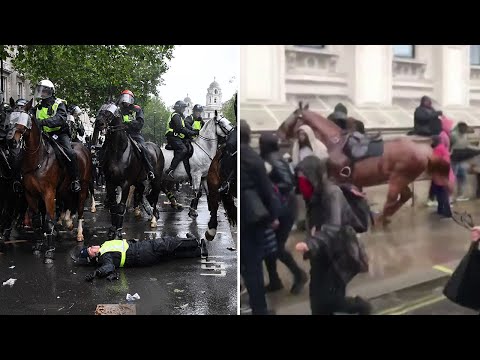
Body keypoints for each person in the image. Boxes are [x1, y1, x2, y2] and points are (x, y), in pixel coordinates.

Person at [294, 155, 372, 315]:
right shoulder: (313, 195)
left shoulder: (332, 193)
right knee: (316, 301)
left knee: (332, 300)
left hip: (339, 253)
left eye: (304, 178)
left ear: (314, 175)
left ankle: (360, 306)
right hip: (320, 253)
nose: (302, 183)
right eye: (299, 178)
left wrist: (311, 243)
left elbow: (333, 226)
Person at [259, 133, 308, 294]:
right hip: (280, 207)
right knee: (268, 245)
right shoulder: (273, 158)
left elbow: (288, 183)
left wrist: (267, 185)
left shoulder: (273, 160)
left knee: (277, 247)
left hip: (284, 209)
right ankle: (274, 280)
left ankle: (299, 274)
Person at [241, 119, 279, 315]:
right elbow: (267, 191)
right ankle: (260, 310)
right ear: (249, 136)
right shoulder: (252, 158)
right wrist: (274, 216)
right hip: (253, 218)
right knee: (254, 266)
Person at [74, 234, 202, 281]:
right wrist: (97, 272)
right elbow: (109, 267)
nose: (92, 247)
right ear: (92, 257)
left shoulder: (104, 247)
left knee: (171, 255)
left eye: (90, 247)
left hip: (141, 251)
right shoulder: (103, 257)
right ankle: (194, 242)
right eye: (90, 250)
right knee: (166, 243)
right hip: (142, 252)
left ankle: (199, 252)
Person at [33, 79, 80, 192]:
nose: (42, 93)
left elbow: (60, 119)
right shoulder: (38, 105)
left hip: (59, 134)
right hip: (43, 134)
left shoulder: (59, 103)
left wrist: (43, 122)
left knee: (69, 152)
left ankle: (75, 180)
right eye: (40, 91)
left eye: (44, 91)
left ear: (50, 92)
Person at [116, 89, 155, 181]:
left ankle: (149, 170)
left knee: (143, 148)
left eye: (127, 98)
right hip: (122, 134)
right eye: (123, 98)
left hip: (135, 134)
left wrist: (128, 124)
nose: (125, 101)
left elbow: (140, 123)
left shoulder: (137, 109)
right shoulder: (120, 110)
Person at [164, 100, 199, 180]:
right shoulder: (176, 116)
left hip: (178, 137)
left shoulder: (180, 116)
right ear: (178, 108)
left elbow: (187, 128)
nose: (184, 109)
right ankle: (170, 169)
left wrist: (195, 131)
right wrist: (192, 133)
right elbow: (180, 129)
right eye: (183, 107)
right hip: (173, 137)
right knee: (183, 149)